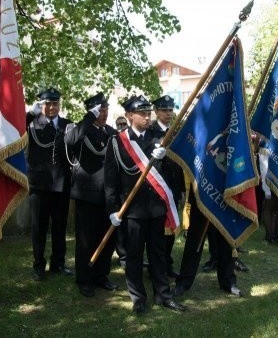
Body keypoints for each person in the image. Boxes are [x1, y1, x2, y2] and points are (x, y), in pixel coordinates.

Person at [104, 95, 186, 314]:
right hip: (132, 210)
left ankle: (163, 295)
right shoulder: (118, 141)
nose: (147, 117)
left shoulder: (158, 138)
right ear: (130, 116)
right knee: (134, 255)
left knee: (158, 254)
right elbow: (111, 180)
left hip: (156, 208)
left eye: (149, 113)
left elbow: (168, 173)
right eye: (142, 113)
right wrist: (112, 210)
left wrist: (165, 156)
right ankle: (138, 297)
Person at [65, 92, 118, 297]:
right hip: (86, 194)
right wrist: (88, 118)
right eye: (99, 110)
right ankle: (85, 278)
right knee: (86, 239)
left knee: (106, 238)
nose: (104, 114)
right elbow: (70, 142)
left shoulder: (111, 132)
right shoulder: (81, 131)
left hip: (108, 194)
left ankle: (101, 275)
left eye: (105, 109)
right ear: (91, 111)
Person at [26, 88, 73, 281]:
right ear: (41, 105)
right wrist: (29, 114)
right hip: (39, 184)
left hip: (61, 184)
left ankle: (58, 263)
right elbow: (12, 127)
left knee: (59, 226)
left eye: (55, 103)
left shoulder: (67, 124)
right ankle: (38, 265)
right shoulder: (32, 124)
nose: (52, 107)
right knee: (39, 227)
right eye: (47, 104)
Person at [150, 95, 184, 278]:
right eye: (164, 110)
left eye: (171, 110)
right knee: (158, 230)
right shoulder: (150, 132)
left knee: (171, 226)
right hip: (157, 186)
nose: (169, 113)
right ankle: (157, 265)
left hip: (174, 185)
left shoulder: (177, 131)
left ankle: (167, 263)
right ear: (156, 112)